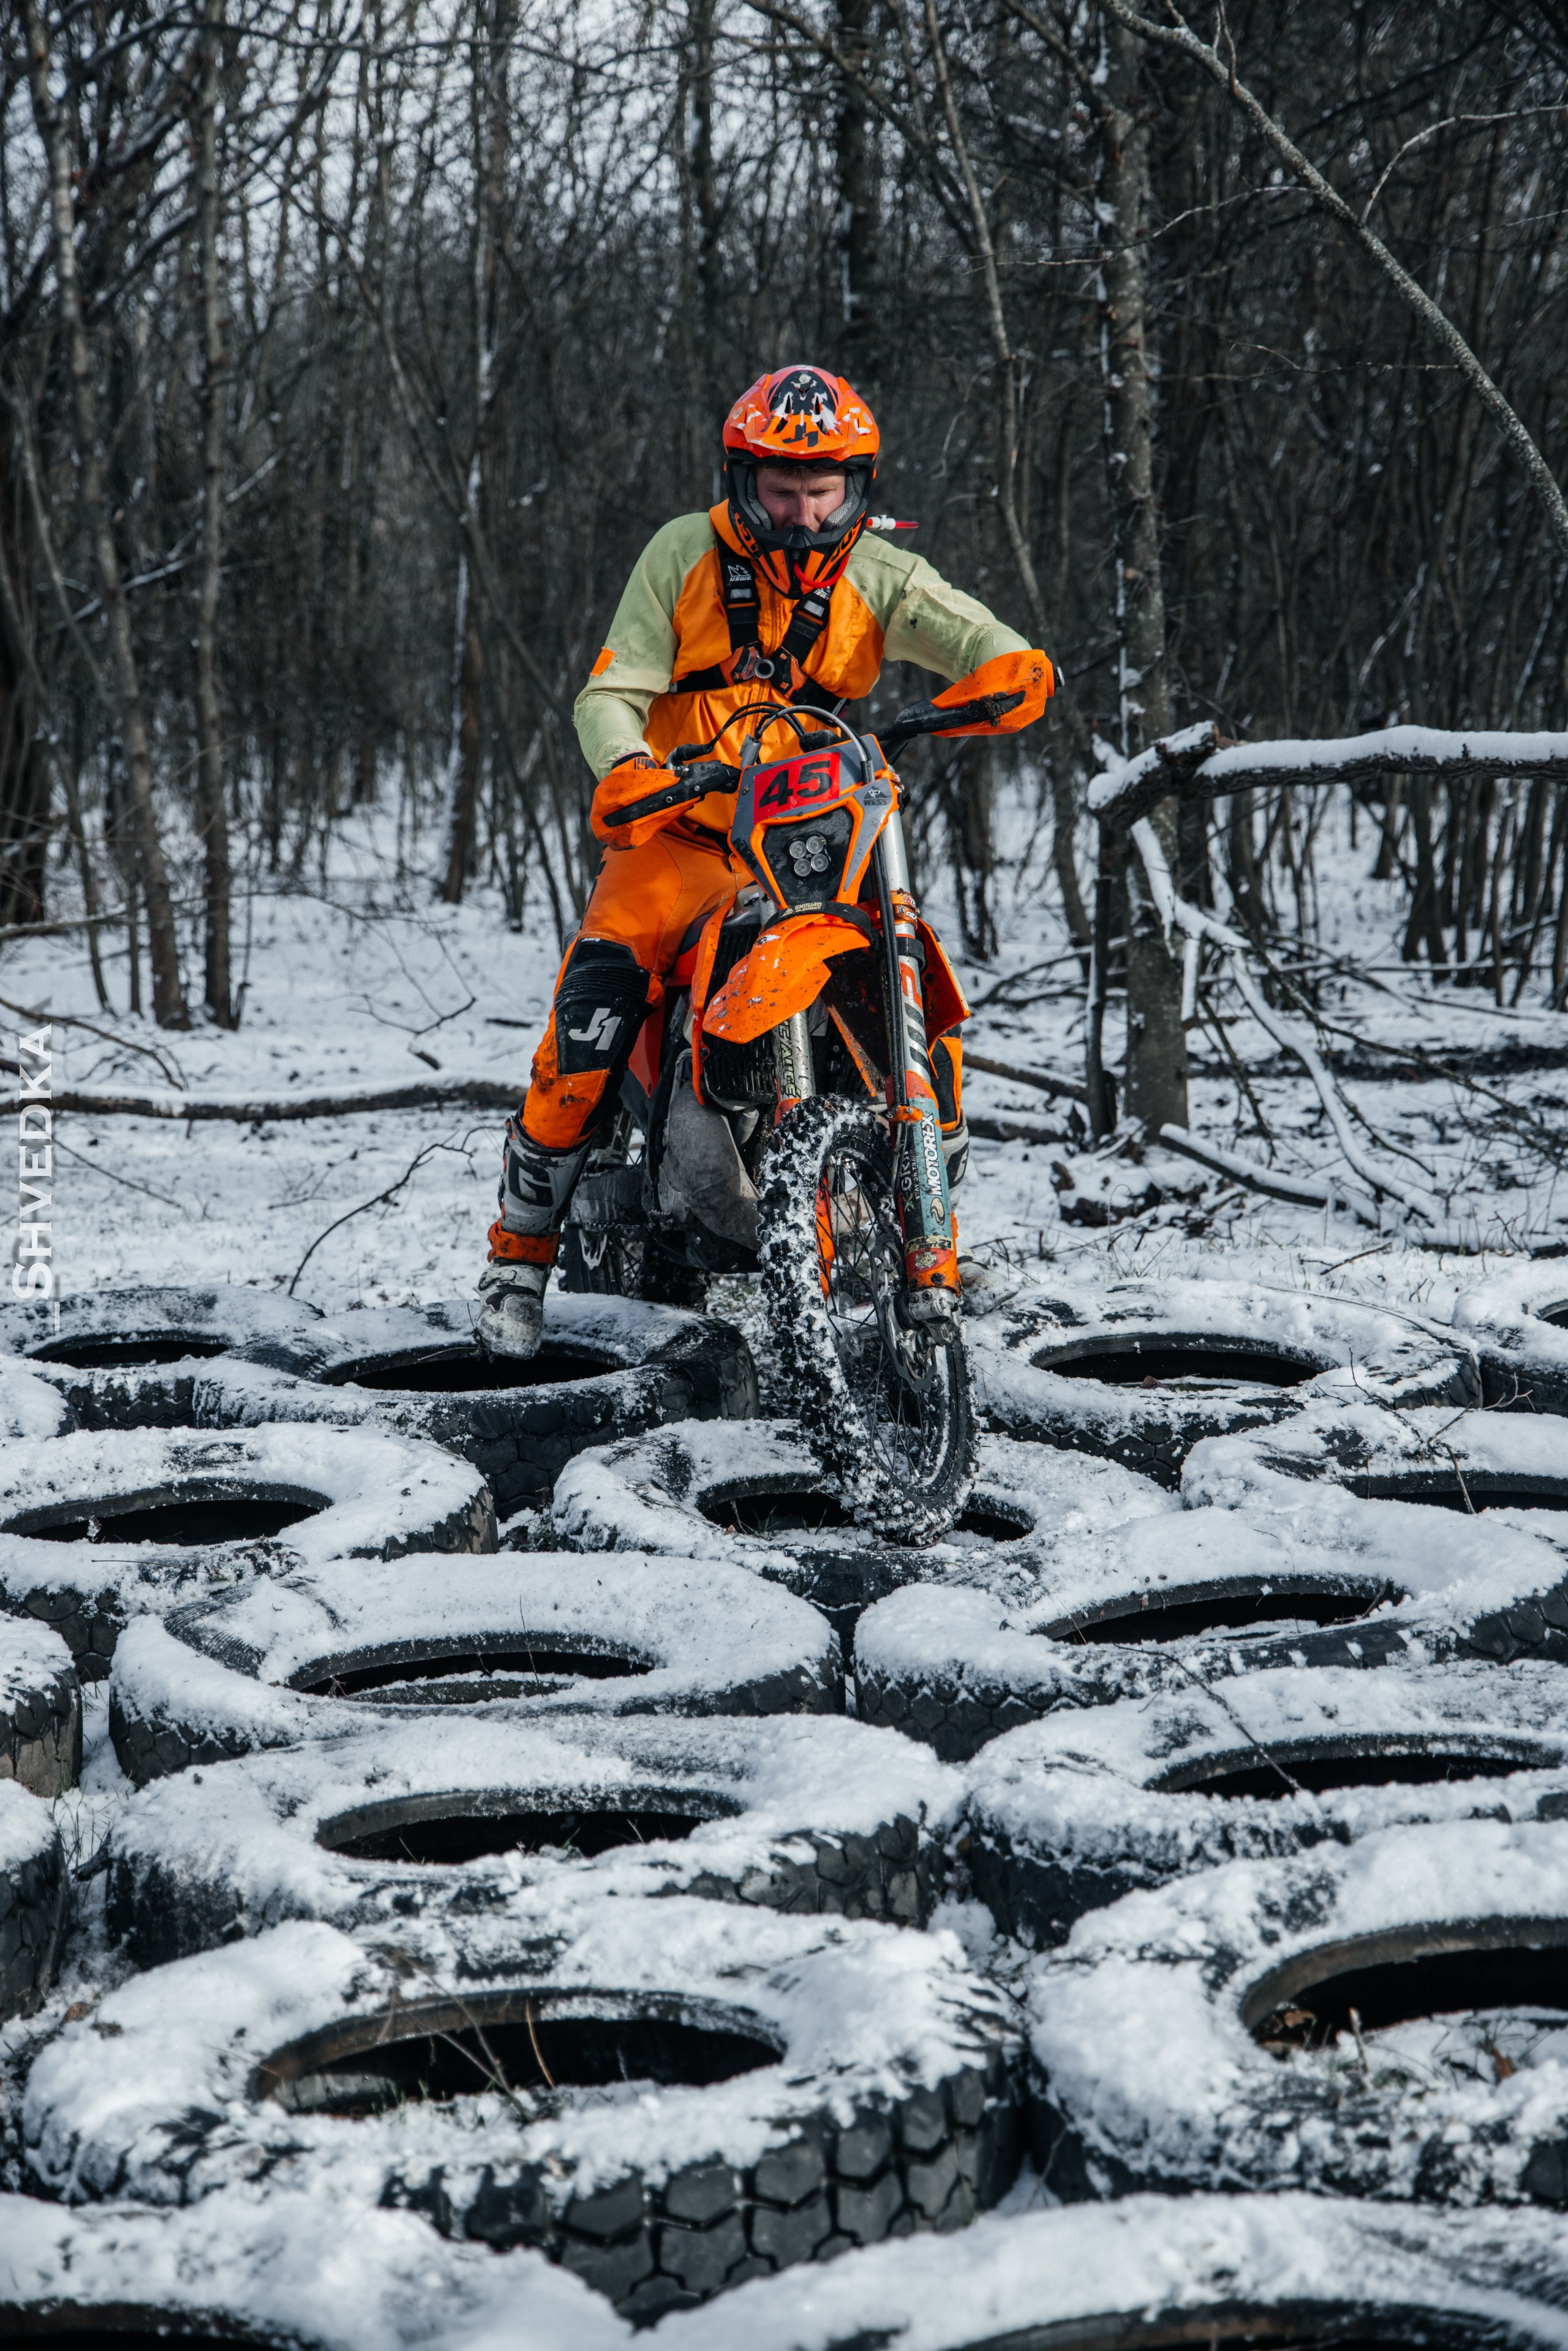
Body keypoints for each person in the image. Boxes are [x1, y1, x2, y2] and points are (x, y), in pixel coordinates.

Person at [477, 363, 1053, 1358]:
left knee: (912, 982)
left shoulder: (878, 573)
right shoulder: (685, 555)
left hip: (817, 834)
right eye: (781, 490)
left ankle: (927, 1226)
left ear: (856, 487)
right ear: (745, 479)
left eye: (822, 490)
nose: (801, 513)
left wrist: (1012, 674)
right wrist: (625, 764)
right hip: (682, 831)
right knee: (591, 1018)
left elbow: (985, 641)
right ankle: (518, 1260)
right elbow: (609, 691)